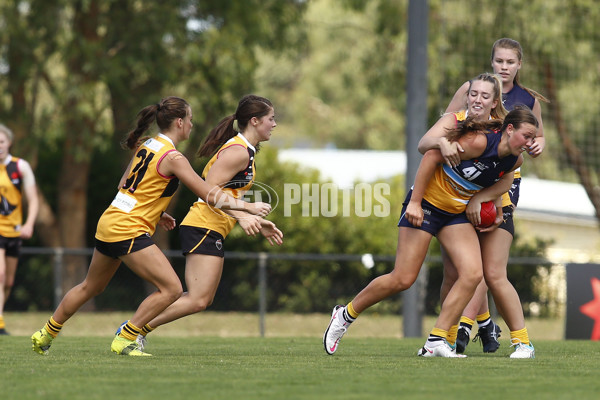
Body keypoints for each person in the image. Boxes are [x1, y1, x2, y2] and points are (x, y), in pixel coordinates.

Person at [31, 96, 271, 356]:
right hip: (129, 228)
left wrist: (158, 214)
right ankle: (126, 336)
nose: (192, 125)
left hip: (110, 222)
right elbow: (207, 192)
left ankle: (45, 333)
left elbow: (126, 186)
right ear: (179, 122)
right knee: (172, 289)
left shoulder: (147, 145)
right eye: (190, 120)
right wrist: (247, 209)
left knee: (91, 286)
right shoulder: (174, 157)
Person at [324, 107, 538, 358]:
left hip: (455, 213)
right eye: (527, 136)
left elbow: (505, 181)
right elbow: (431, 157)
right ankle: (345, 314)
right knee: (403, 278)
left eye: (533, 138)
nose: (530, 143)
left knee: (472, 274)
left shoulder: (515, 159)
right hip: (426, 205)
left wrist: (480, 198)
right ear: (509, 129)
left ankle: (435, 341)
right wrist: (414, 203)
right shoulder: (479, 142)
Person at [115, 95, 284, 350]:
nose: (274, 124)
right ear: (255, 120)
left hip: (208, 227)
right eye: (271, 119)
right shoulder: (238, 151)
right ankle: (133, 330)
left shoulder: (244, 150)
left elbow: (223, 193)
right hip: (203, 225)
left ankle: (134, 329)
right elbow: (210, 191)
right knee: (198, 299)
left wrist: (255, 222)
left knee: (200, 299)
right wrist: (245, 214)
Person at [442, 38, 548, 355]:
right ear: (491, 62)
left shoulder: (527, 100)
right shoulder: (475, 90)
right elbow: (445, 123)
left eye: (510, 62)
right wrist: (445, 142)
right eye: (499, 61)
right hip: (466, 183)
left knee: (489, 268)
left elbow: (536, 139)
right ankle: (483, 324)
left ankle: (466, 328)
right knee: (464, 267)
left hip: (502, 184)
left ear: (519, 65)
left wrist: (539, 144)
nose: (504, 66)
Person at [418, 72, 508, 353]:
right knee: (407, 277)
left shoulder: (501, 132)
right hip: (435, 204)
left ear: (495, 101)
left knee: (476, 272)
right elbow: (425, 147)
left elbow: (505, 172)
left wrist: (498, 205)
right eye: (473, 93)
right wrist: (440, 142)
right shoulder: (454, 122)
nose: (477, 98)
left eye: (484, 95)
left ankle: (451, 334)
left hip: (468, 208)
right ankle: (481, 324)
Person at [0, 124, 39, 335]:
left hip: (14, 231)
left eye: (2, 142)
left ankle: (0, 315)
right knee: (0, 273)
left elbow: (33, 200)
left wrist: (29, 224)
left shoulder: (20, 166)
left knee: (9, 281)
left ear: (9, 143)